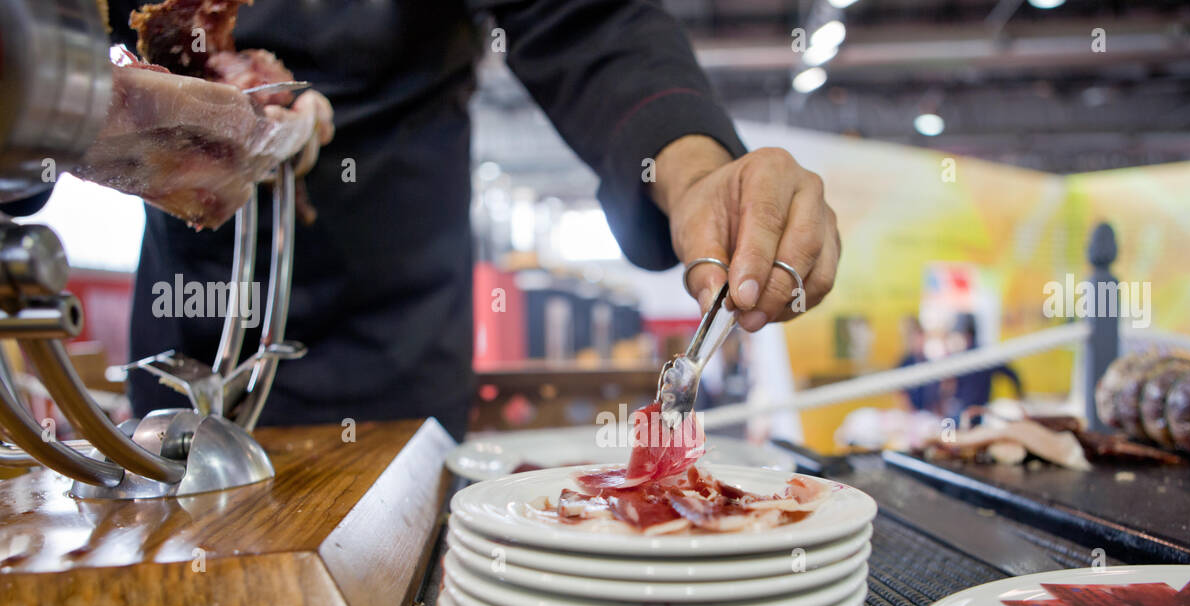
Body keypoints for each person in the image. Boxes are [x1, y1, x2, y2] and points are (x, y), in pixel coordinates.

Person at [102, 0, 841, 439]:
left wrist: (696, 174)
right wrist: (60, 107)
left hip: (395, 343)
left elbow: (587, 19)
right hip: (190, 326)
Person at [943, 312, 1022, 417]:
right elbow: (1013, 375)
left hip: (975, 412)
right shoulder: (975, 355)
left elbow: (1012, 374)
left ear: (967, 334)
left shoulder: (979, 356)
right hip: (976, 411)